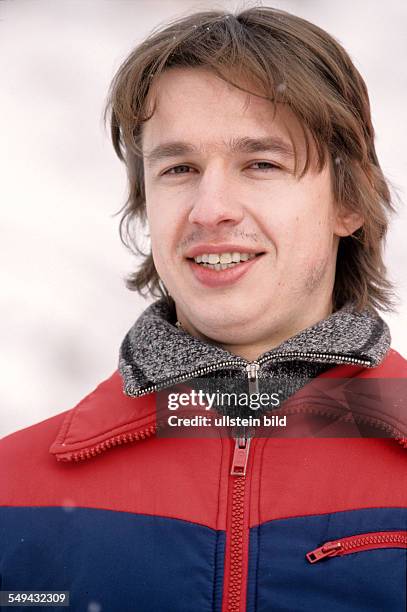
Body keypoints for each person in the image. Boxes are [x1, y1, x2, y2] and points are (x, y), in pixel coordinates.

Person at [1, 6, 406, 612]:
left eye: (261, 164)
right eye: (180, 168)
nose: (210, 208)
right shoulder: (14, 493)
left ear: (349, 202)